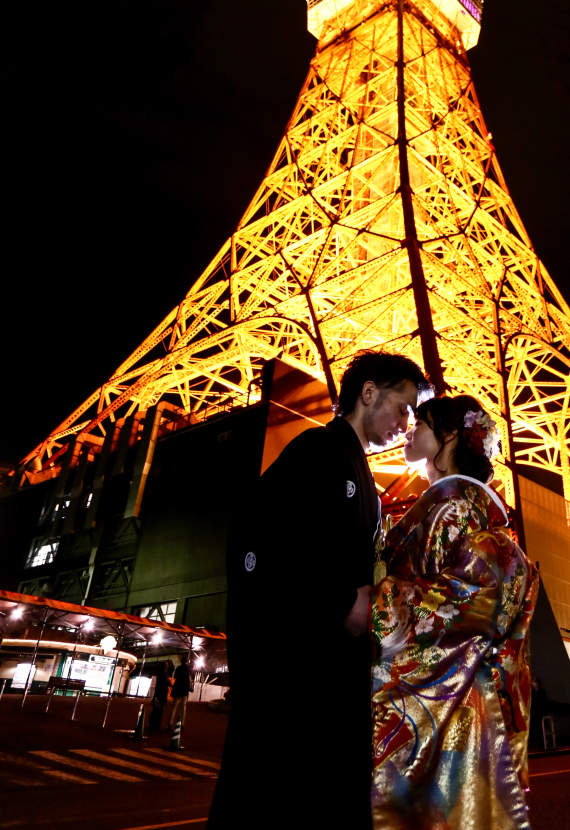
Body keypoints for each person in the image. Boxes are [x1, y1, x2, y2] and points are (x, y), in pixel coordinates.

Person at [206, 350, 428, 830]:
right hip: (297, 674)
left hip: (332, 673)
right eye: (404, 407)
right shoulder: (319, 448)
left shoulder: (357, 471)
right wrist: (341, 603)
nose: (407, 424)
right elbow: (257, 533)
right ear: (368, 393)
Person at [370, 394, 538, 829]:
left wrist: (378, 600)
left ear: (448, 436)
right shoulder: (466, 509)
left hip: (447, 701)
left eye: (422, 422)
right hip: (467, 704)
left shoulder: (453, 509)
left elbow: (452, 607)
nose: (411, 428)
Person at [149, 660, 174, 731]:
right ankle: (156, 724)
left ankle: (153, 724)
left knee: (156, 709)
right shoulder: (164, 674)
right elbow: (167, 682)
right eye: (166, 665)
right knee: (159, 710)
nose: (167, 666)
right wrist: (170, 684)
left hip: (158, 692)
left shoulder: (160, 673)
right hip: (162, 693)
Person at [170, 652, 192, 730]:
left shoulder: (178, 668)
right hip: (184, 690)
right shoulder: (188, 669)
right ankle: (182, 724)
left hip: (177, 689)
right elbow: (189, 679)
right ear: (187, 661)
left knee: (174, 707)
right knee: (183, 708)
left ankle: (170, 723)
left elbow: (175, 677)